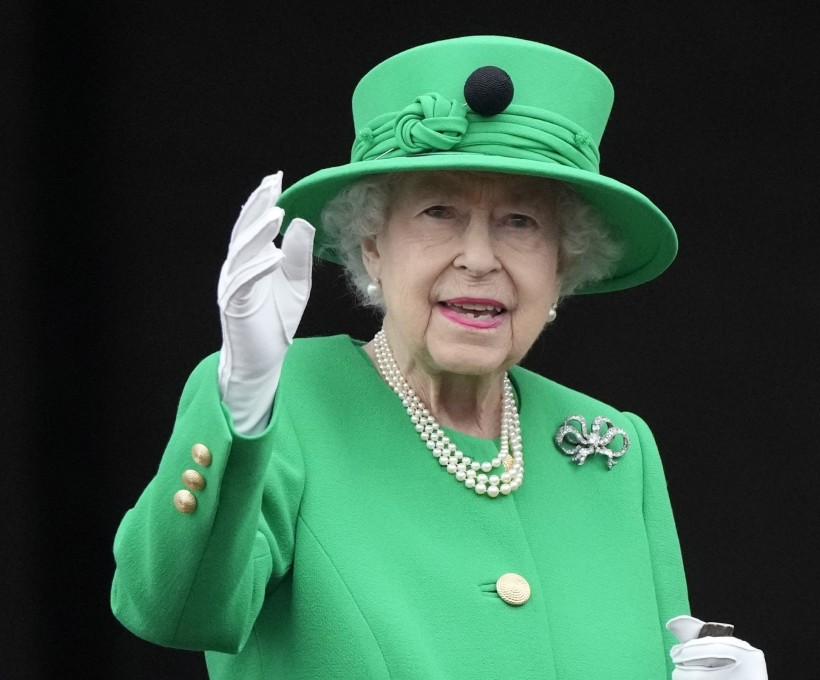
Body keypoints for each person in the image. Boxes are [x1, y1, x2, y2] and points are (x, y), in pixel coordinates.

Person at [110, 35, 769, 679]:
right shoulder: (283, 408)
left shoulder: (617, 453)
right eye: (439, 211)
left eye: (520, 222)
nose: (479, 258)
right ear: (372, 247)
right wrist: (245, 405)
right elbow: (171, 610)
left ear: (562, 266)